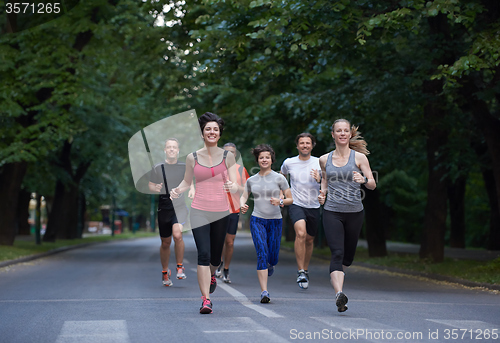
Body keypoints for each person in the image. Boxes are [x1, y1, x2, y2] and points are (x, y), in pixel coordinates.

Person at [170, 112, 238, 314]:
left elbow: (235, 184)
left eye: (215, 129)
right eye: (208, 129)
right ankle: (206, 300)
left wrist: (231, 186)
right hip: (199, 210)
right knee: (204, 254)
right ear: (202, 133)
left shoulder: (228, 157)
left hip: (221, 212)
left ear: (219, 134)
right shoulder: (192, 157)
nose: (212, 132)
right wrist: (178, 189)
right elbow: (186, 181)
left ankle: (213, 274)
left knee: (215, 259)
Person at [317, 119, 376, 313]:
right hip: (332, 211)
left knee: (347, 257)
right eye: (338, 131)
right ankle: (339, 294)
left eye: (345, 131)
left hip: (355, 212)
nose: (342, 134)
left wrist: (364, 179)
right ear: (333, 134)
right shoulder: (324, 159)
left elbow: (372, 184)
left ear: (349, 135)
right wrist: (322, 193)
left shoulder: (359, 158)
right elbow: (324, 179)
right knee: (337, 253)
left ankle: (340, 284)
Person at [240, 144, 293, 304]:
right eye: (261, 157)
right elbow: (243, 196)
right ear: (257, 159)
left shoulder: (279, 178)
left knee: (273, 256)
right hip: (257, 220)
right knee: (262, 253)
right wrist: (242, 204)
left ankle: (271, 264)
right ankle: (264, 291)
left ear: (271, 160)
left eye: (267, 157)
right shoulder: (251, 180)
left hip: (275, 221)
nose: (264, 160)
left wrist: (281, 200)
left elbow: (291, 199)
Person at [148, 138, 194, 287]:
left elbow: (189, 182)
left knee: (177, 234)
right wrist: (157, 188)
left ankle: (180, 267)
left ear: (178, 150)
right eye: (169, 147)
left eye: (174, 147)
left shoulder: (184, 167)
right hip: (164, 208)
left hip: (179, 207)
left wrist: (185, 190)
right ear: (165, 150)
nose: (172, 149)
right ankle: (165, 271)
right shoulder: (157, 167)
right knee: (165, 242)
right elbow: (151, 186)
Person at [280, 133, 321, 290]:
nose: (305, 145)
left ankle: (306, 268)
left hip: (314, 205)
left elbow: (327, 181)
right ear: (297, 146)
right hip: (296, 203)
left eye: (308, 143)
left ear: (312, 145)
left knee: (310, 239)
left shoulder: (319, 162)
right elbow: (282, 175)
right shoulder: (289, 162)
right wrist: (282, 193)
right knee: (301, 234)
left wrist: (319, 178)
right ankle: (300, 271)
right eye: (302, 143)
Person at [215, 143, 250, 284]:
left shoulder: (241, 170)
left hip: (233, 210)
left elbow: (247, 189)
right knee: (218, 240)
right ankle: (218, 263)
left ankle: (226, 269)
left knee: (229, 242)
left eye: (232, 152)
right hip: (217, 210)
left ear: (235, 155)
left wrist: (237, 187)